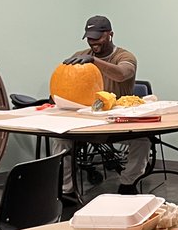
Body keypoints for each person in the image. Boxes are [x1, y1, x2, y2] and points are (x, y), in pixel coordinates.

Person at [54, 15, 149, 201]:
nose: (93, 42)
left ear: (110, 35)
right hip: (86, 120)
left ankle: (127, 184)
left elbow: (122, 74)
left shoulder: (124, 56)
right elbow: (67, 81)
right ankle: (67, 190)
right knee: (61, 140)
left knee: (143, 141)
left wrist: (93, 61)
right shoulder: (80, 55)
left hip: (117, 122)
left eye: (98, 37)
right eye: (90, 38)